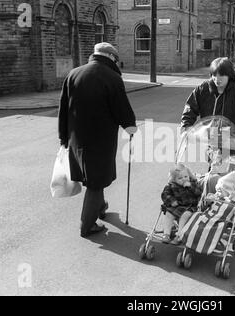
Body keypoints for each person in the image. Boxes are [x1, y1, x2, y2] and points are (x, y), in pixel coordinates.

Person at [58, 42, 137, 238]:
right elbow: (122, 109)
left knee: (94, 178)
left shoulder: (74, 74)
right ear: (111, 58)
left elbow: (63, 110)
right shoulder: (112, 78)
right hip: (100, 141)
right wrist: (130, 126)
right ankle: (87, 225)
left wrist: (63, 137)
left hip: (77, 138)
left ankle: (100, 208)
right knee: (95, 181)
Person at [180, 57, 235, 149]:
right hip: (210, 140)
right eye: (214, 75)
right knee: (214, 162)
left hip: (231, 141)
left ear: (229, 75)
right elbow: (190, 109)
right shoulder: (202, 89)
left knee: (228, 162)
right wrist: (186, 129)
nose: (217, 79)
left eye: (221, 75)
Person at [161, 163, 202, 244]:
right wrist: (171, 200)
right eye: (180, 178)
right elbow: (165, 194)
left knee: (185, 216)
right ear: (174, 180)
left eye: (186, 177)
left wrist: (190, 186)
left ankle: (179, 235)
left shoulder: (193, 184)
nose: (184, 179)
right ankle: (166, 234)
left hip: (190, 207)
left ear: (189, 176)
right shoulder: (172, 186)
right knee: (169, 214)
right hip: (177, 206)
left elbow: (199, 193)